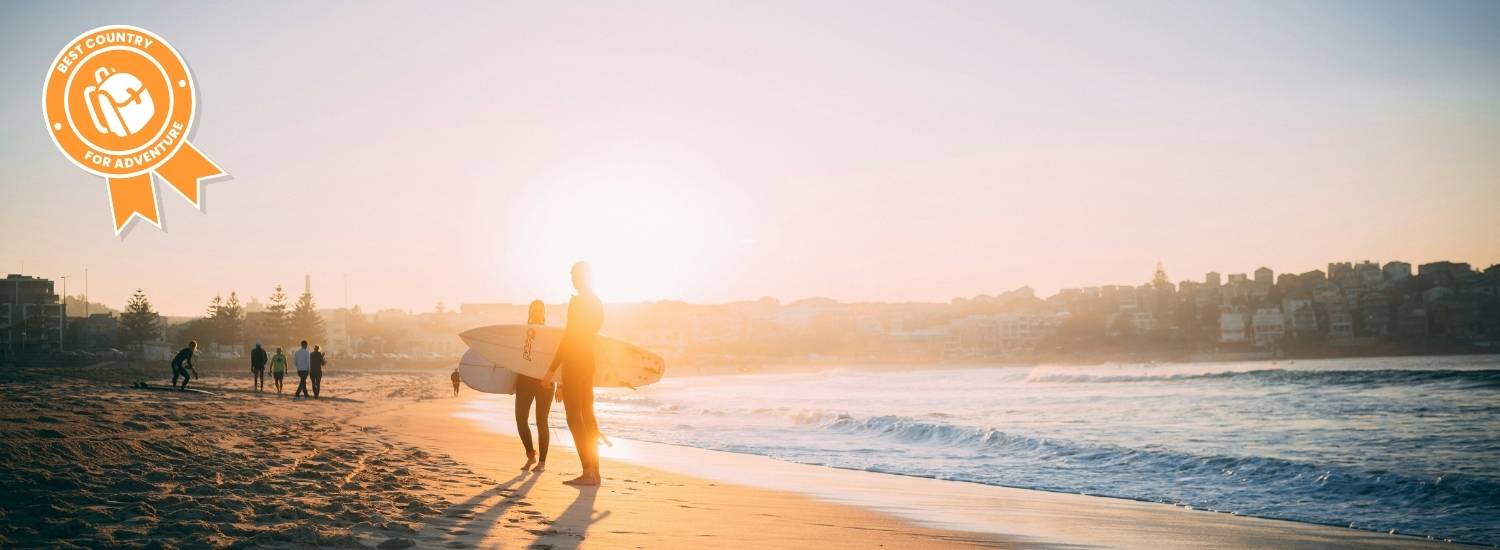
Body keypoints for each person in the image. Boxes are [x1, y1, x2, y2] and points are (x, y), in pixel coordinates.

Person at [540, 262, 604, 486]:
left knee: (574, 416)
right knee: (588, 414)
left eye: (574, 276)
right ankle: (595, 471)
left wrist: (551, 371)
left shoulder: (578, 302)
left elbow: (569, 338)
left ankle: (588, 472)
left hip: (575, 362)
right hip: (588, 361)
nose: (572, 280)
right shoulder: (597, 303)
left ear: (582, 277)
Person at [516, 299, 555, 472]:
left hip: (544, 382)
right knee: (520, 419)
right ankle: (531, 455)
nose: (537, 311)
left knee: (541, 421)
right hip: (524, 380)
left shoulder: (550, 333)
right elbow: (514, 357)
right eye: (534, 308)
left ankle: (542, 463)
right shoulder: (520, 333)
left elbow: (558, 359)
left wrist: (560, 384)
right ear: (529, 311)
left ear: (544, 312)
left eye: (540, 309)